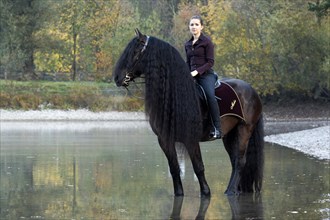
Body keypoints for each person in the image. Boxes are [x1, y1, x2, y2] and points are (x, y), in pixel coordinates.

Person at [185, 15, 222, 139]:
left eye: (196, 24)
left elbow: (210, 62)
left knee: (210, 96)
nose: (194, 27)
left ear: (201, 27)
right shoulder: (188, 44)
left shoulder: (207, 42)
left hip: (206, 76)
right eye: (192, 25)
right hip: (191, 76)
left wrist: (196, 72)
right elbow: (188, 62)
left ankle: (217, 128)